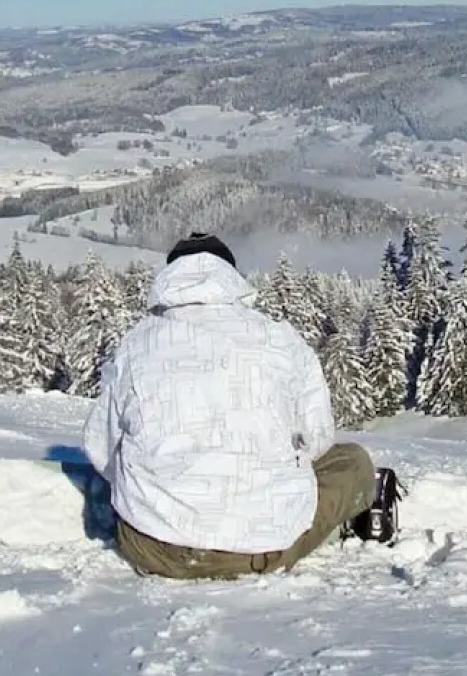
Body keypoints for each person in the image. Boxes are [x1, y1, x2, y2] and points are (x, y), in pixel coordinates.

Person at [83, 232, 377, 580]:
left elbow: (99, 448)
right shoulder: (280, 339)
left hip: (154, 548)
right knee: (353, 462)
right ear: (230, 276)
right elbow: (318, 438)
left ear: (170, 278)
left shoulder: (136, 344)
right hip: (264, 550)